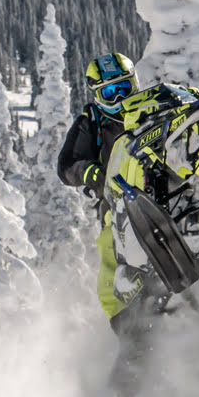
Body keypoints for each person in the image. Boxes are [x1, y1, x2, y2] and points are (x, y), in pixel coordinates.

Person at [56, 51, 147, 329]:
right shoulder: (92, 121)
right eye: (110, 92)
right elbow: (66, 165)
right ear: (97, 95)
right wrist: (88, 171)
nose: (119, 98)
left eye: (124, 87)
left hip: (159, 188)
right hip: (116, 206)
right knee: (111, 273)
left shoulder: (151, 105)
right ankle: (127, 330)